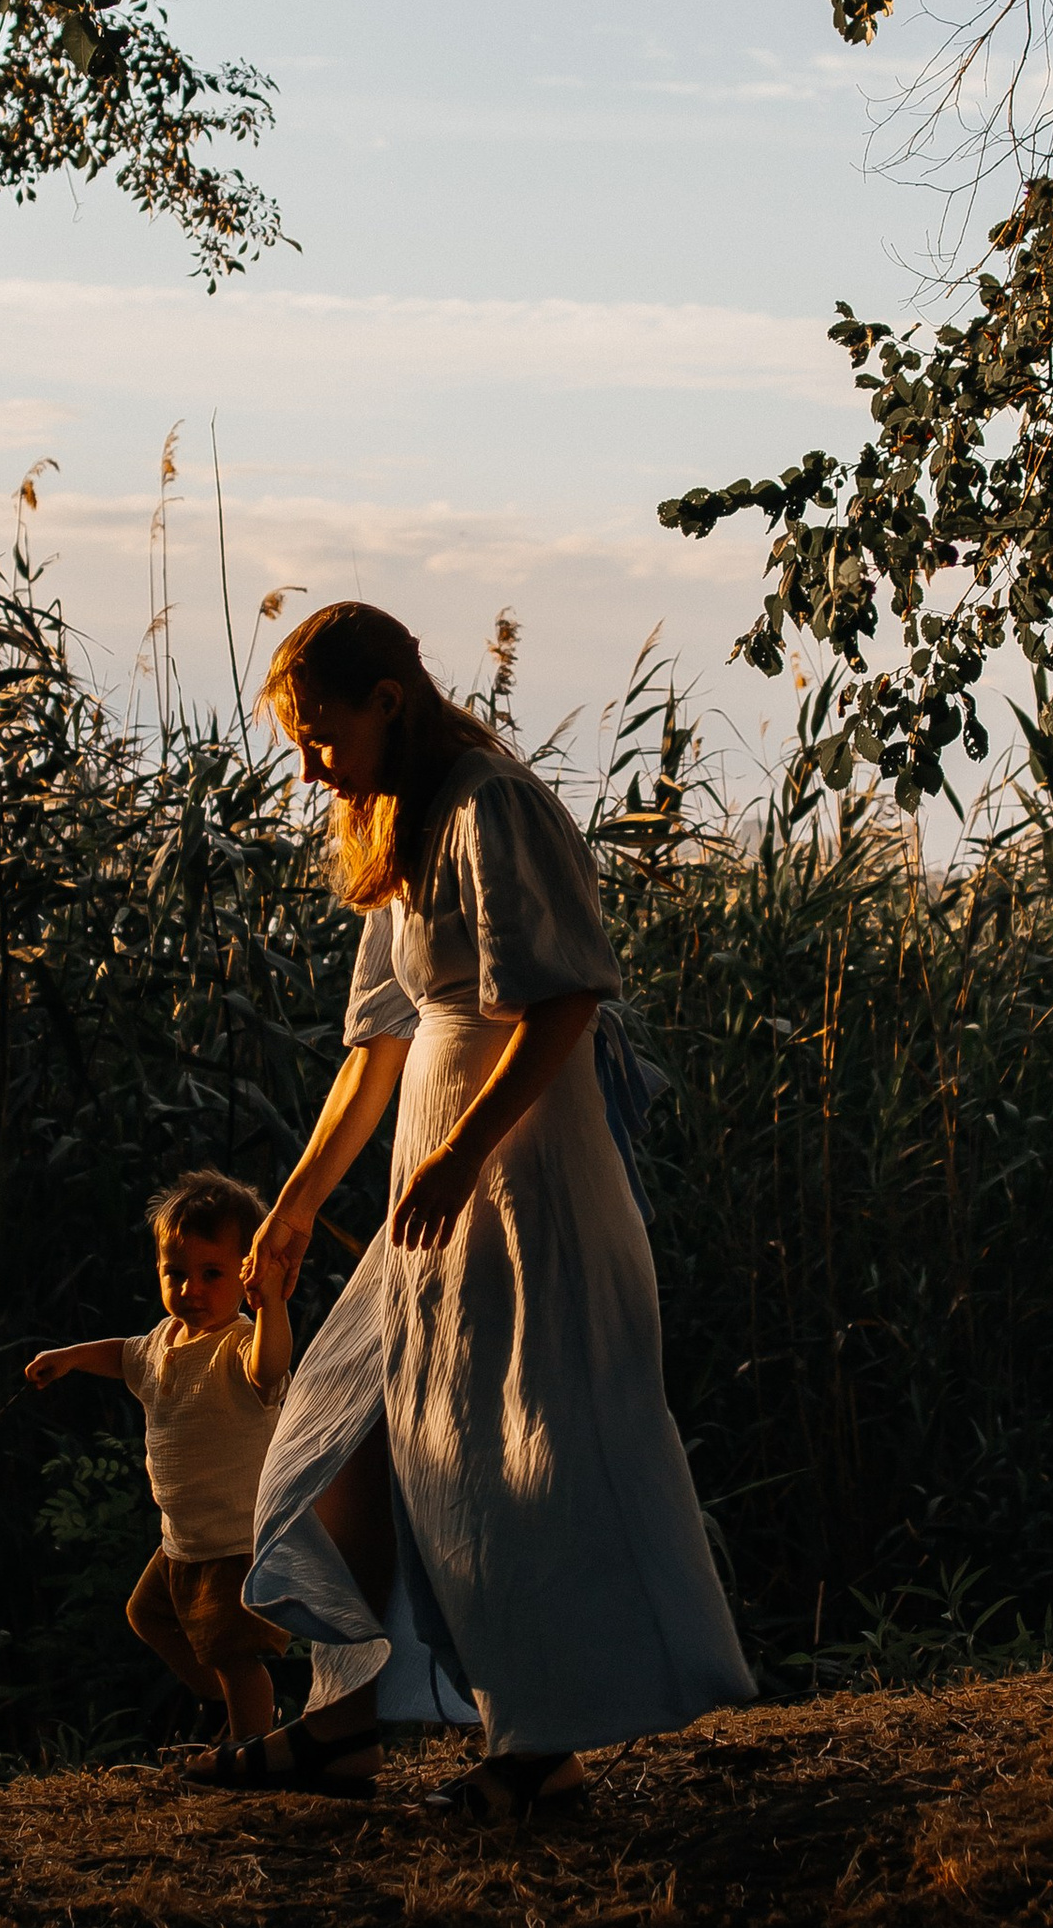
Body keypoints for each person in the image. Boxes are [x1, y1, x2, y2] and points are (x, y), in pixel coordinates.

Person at [188, 598, 755, 1818]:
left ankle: (536, 1747)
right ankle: (341, 1727)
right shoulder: (395, 824)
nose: (308, 764)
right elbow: (376, 1046)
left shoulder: (492, 806)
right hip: (435, 1171)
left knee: (513, 1448)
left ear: (388, 699)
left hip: (525, 1175)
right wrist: (293, 1206)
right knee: (356, 1440)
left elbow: (565, 1001)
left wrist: (459, 1156)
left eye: (320, 732)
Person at [26, 1173, 293, 1747]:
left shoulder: (241, 1344)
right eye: (177, 1273)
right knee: (147, 1615)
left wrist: (272, 1304)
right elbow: (121, 1356)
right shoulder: (160, 1343)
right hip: (183, 1541)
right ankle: (226, 1703)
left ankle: (250, 1752)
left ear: (244, 1274)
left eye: (212, 1274)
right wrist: (69, 1358)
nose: (191, 1288)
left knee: (237, 1654)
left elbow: (271, 1368)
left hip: (235, 1541)